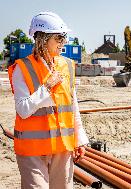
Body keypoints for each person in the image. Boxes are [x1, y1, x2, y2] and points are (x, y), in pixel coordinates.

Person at [8, 12, 89, 189]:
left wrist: (79, 139)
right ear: (43, 39)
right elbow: (23, 109)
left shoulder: (67, 65)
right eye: (59, 37)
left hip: (62, 147)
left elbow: (72, 105)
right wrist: (47, 88)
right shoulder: (22, 69)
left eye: (64, 37)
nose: (64, 42)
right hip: (32, 151)